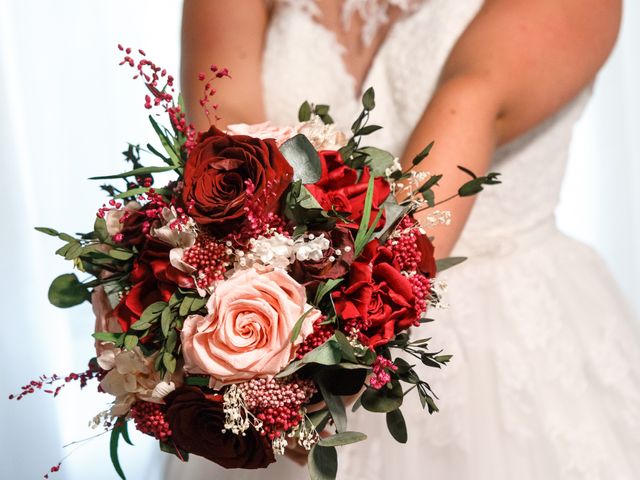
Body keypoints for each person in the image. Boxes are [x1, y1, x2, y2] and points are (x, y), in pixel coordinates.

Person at [166, 0, 640, 478]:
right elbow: (226, 152)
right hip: (274, 313)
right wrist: (225, 323)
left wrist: (317, 371)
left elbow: (471, 108)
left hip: (489, 344)